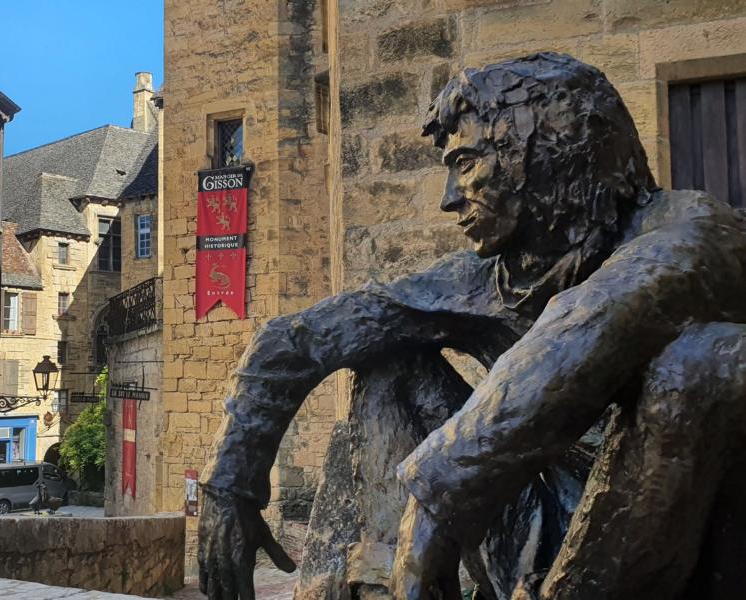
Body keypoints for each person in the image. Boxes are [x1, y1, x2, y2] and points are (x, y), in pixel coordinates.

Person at [197, 52, 746, 600]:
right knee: (394, 364)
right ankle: (391, 583)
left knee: (704, 362)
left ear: (543, 152)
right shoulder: (486, 280)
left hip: (664, 546)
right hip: (539, 538)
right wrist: (229, 484)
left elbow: (599, 317)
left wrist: (438, 496)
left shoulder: (692, 229)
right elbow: (297, 340)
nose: (449, 199)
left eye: (467, 164)